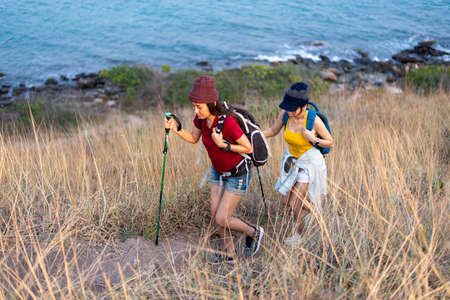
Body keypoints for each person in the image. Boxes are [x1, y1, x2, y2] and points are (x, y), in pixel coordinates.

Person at [165, 76, 264, 263]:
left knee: (222, 218)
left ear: (211, 103)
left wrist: (224, 145)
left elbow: (248, 148)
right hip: (218, 172)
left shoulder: (227, 122)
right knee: (215, 215)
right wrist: (176, 129)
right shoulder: (201, 119)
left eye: (199, 106)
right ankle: (230, 253)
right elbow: (193, 138)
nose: (195, 110)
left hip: (237, 174)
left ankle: (254, 232)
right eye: (194, 106)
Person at [263, 82, 333, 247]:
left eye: (292, 108)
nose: (289, 111)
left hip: (310, 162)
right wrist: (254, 134)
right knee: (286, 202)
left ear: (302, 107)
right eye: (287, 107)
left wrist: (313, 138)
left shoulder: (313, 119)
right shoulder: (285, 114)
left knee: (295, 203)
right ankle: (314, 213)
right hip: (292, 161)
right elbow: (273, 131)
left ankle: (299, 236)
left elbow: (330, 142)